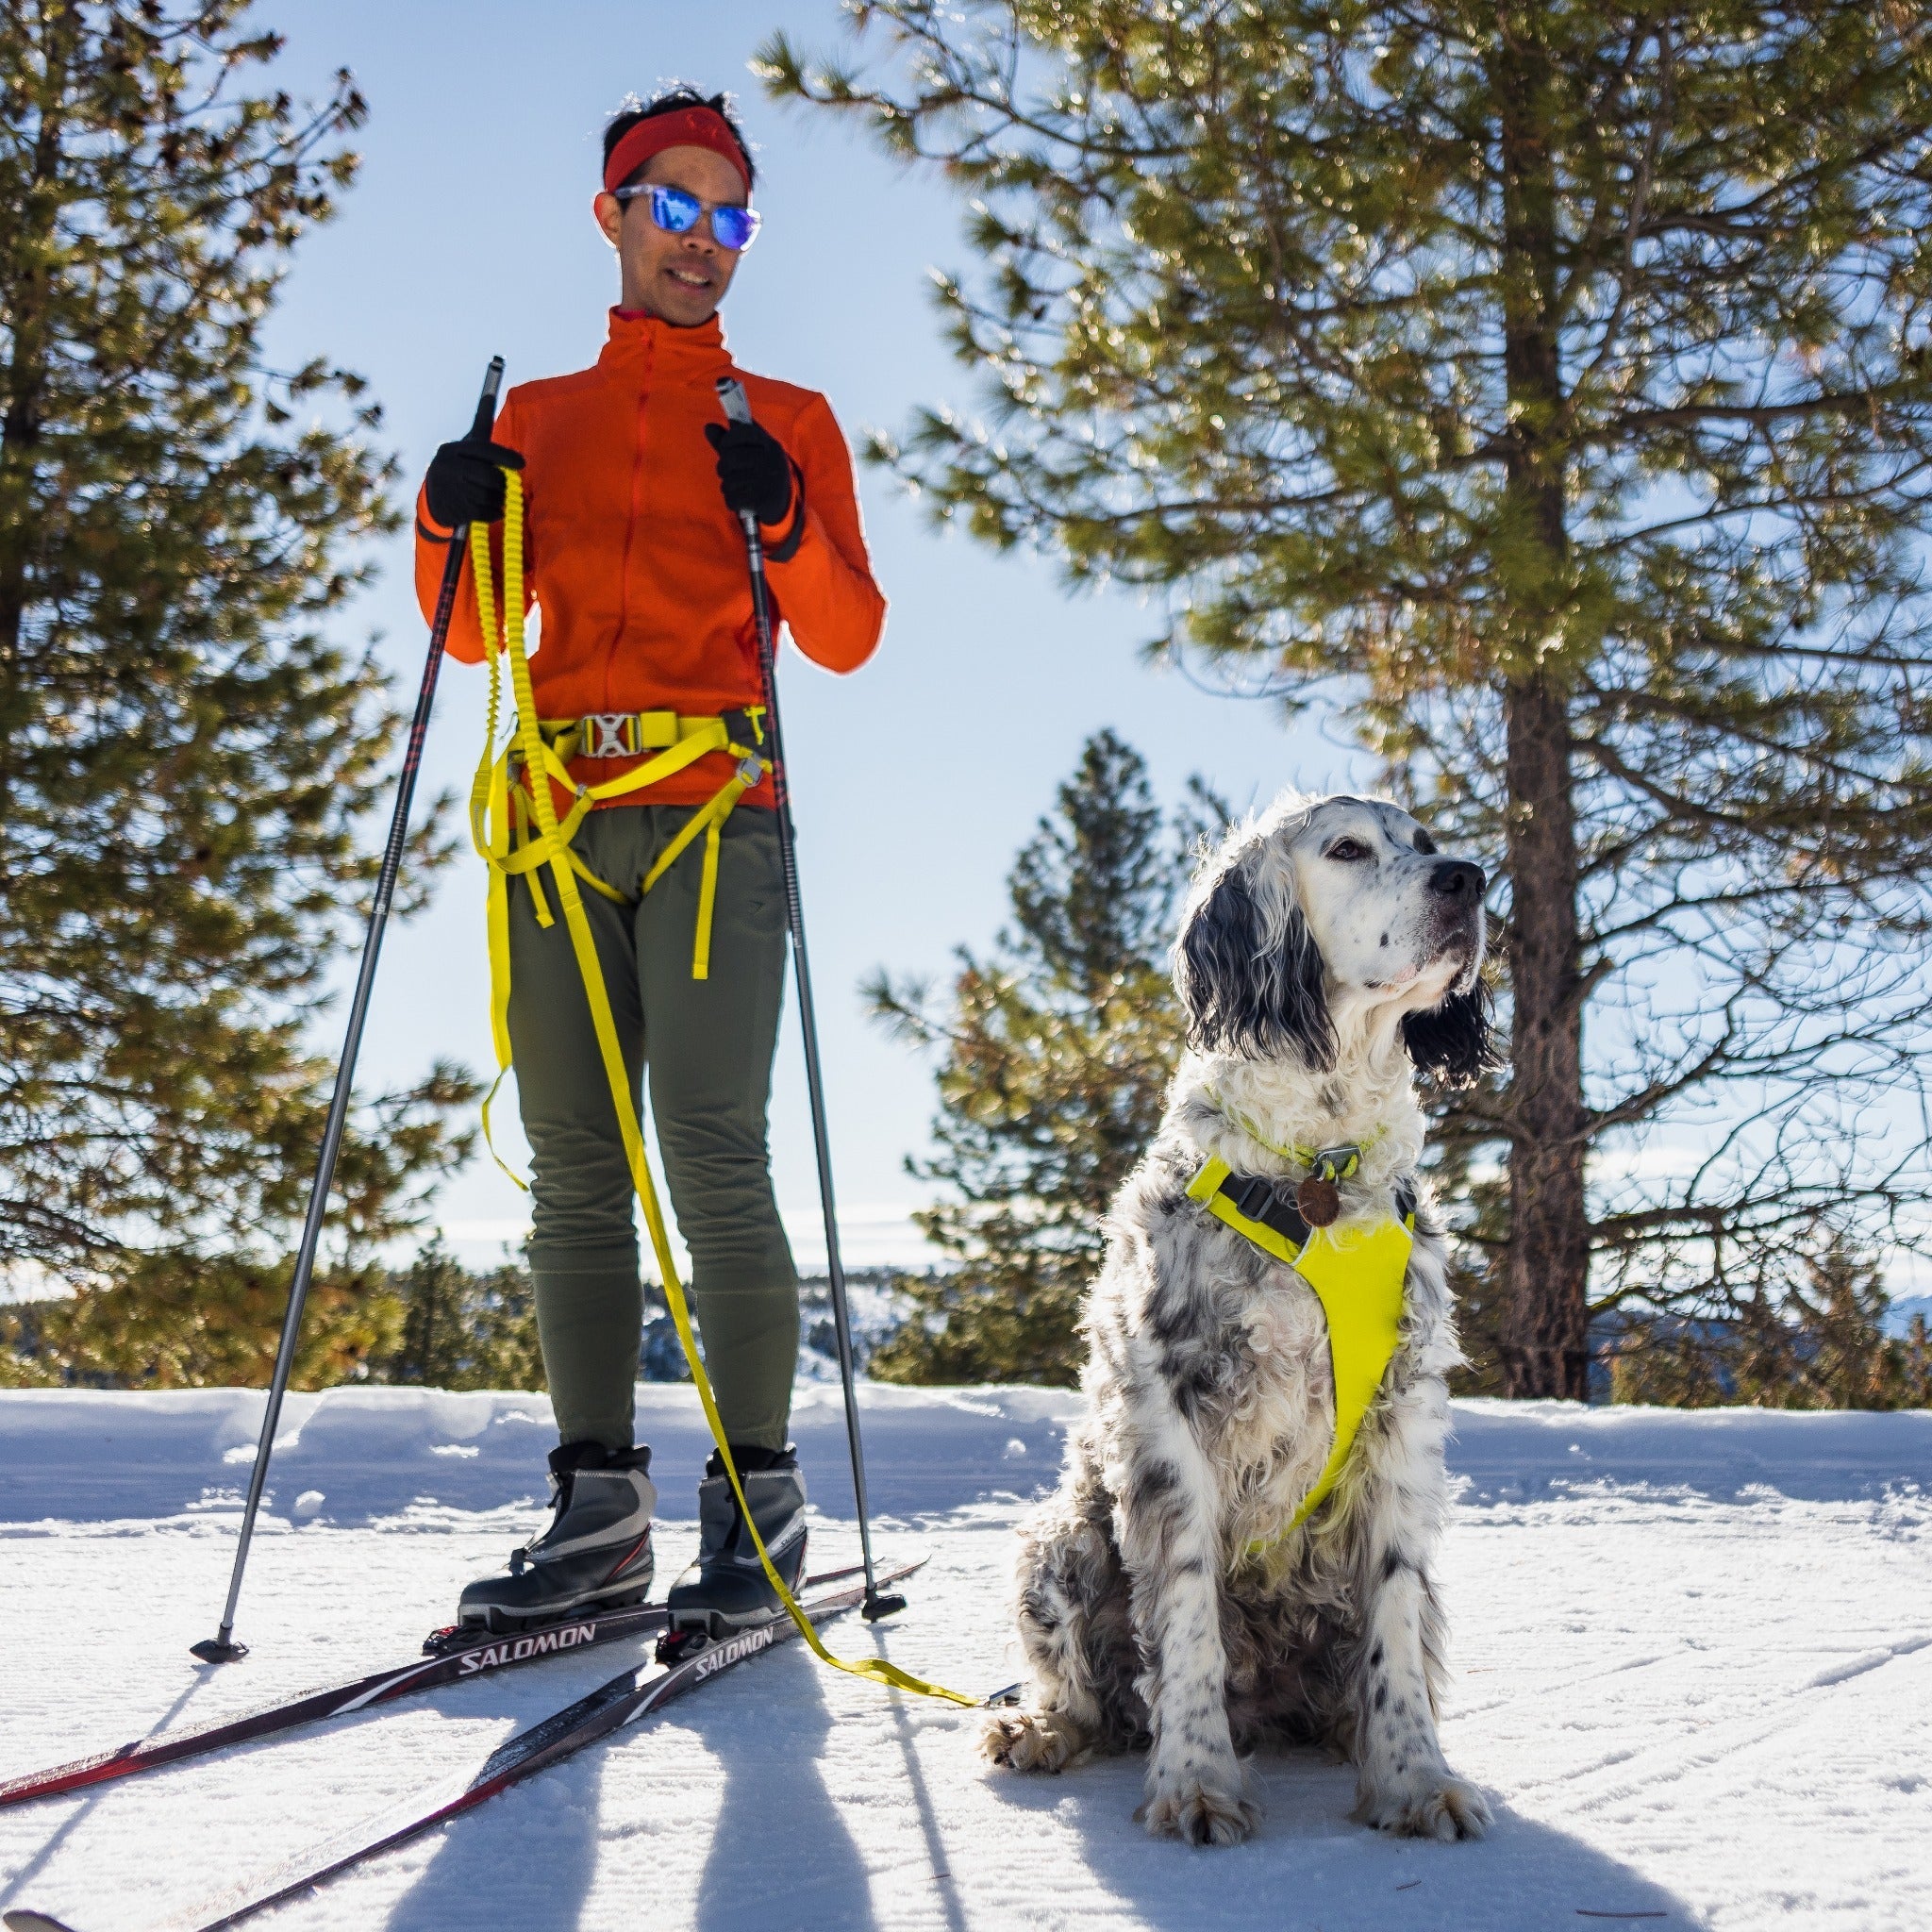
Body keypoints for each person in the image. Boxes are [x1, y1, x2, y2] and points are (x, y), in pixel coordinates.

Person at [413, 88, 885, 1640]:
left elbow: (847, 633)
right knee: (574, 1169)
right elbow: (470, 631)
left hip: (713, 818)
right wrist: (447, 509)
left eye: (727, 216)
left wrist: (792, 518)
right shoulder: (536, 418)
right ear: (612, 217)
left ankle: (760, 1509)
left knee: (711, 1148)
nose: (700, 241)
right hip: (558, 818)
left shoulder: (783, 422)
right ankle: (599, 1508)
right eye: (670, 208)